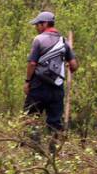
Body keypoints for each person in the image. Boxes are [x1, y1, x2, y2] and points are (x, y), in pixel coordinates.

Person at [23, 11, 79, 147]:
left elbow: (32, 63)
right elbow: (74, 65)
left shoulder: (38, 40)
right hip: (57, 88)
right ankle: (53, 151)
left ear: (45, 24)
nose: (36, 27)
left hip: (38, 86)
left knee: (31, 117)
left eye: (38, 24)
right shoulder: (64, 42)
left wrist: (27, 81)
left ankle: (35, 149)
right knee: (54, 122)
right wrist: (68, 66)